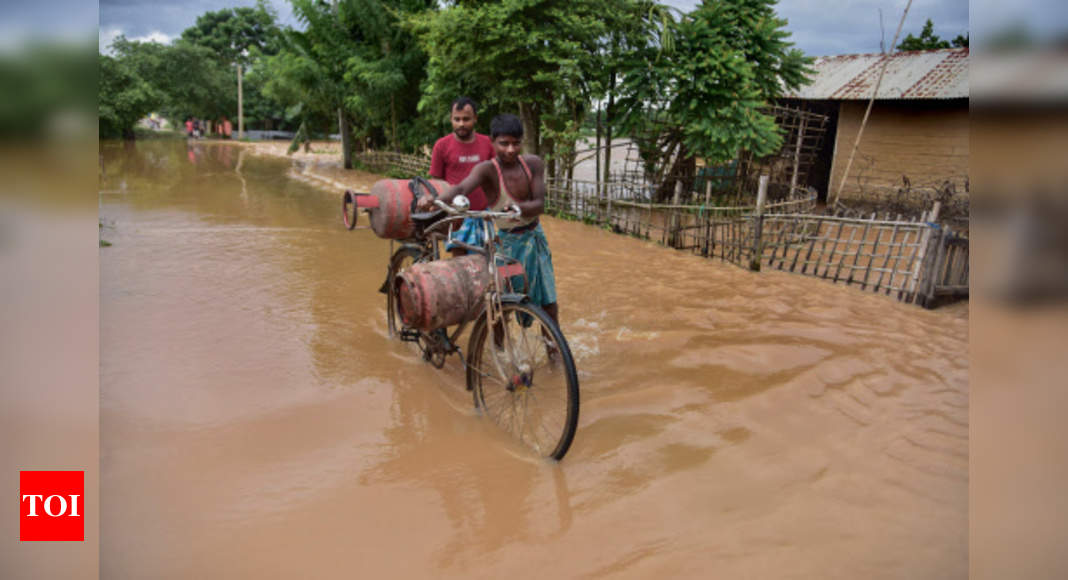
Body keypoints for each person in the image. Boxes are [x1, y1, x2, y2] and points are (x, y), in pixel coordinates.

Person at [418, 114, 559, 325]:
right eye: (504, 144)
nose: (510, 149)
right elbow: (461, 188)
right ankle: (499, 349)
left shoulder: (533, 164)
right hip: (507, 246)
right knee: (503, 303)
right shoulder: (487, 170)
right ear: (493, 142)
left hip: (535, 240)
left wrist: (518, 208)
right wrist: (434, 200)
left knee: (549, 302)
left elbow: (539, 204)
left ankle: (554, 351)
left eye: (516, 143)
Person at [429, 97, 495, 256]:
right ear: (451, 119)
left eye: (466, 119)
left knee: (487, 259)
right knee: (459, 261)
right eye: (456, 119)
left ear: (475, 119)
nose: (461, 124)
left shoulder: (487, 143)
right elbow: (435, 182)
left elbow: (495, 177)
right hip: (455, 215)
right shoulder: (441, 146)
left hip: (482, 214)